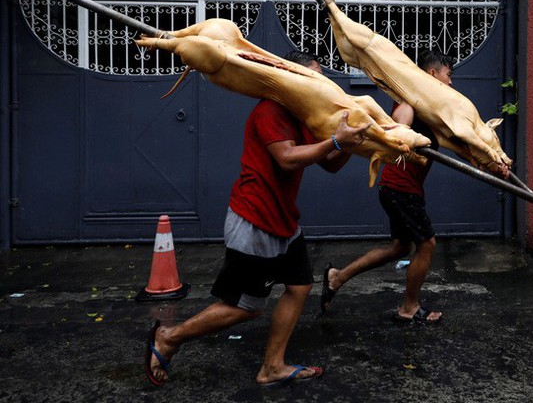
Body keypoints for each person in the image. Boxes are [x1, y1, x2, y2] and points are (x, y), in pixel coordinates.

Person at [145, 50, 370, 386]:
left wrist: (354, 142)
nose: (321, 84)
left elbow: (330, 163)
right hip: (255, 221)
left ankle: (272, 366)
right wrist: (337, 140)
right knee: (246, 306)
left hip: (284, 222)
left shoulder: (303, 114)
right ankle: (169, 337)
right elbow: (288, 158)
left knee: (299, 286)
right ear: (290, 78)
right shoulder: (271, 110)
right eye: (313, 77)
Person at [320, 48, 454, 323]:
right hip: (400, 187)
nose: (450, 83)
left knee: (400, 248)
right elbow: (398, 127)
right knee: (427, 244)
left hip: (400, 187)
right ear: (432, 73)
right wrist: (402, 136)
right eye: (448, 75)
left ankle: (337, 278)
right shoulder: (409, 103)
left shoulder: (428, 108)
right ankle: (409, 308)